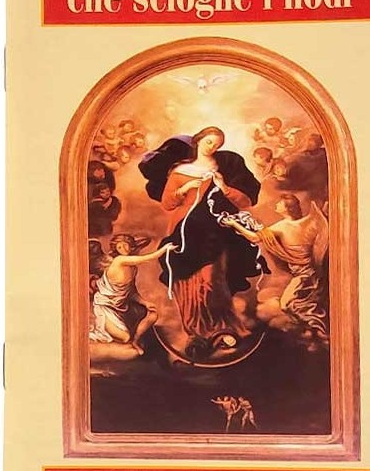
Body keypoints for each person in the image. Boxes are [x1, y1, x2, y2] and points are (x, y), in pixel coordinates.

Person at [139, 126, 265, 357]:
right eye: (209, 142)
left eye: (217, 145)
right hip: (184, 228)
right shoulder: (180, 171)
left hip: (213, 230)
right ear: (198, 141)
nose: (212, 147)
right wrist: (184, 189)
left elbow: (245, 202)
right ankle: (197, 331)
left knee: (212, 278)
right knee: (186, 279)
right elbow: (167, 204)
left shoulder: (224, 169)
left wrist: (224, 187)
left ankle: (222, 327)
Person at [221, 194, 329, 344]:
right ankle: (313, 328)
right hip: (305, 272)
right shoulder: (305, 222)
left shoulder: (283, 227)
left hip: (305, 274)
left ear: (288, 208)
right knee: (293, 304)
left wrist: (234, 224)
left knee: (287, 304)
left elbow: (254, 238)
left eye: (280, 204)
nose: (276, 205)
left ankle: (318, 328)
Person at [88, 234, 175, 352]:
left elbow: (131, 292)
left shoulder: (133, 268)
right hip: (106, 307)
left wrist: (145, 302)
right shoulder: (119, 261)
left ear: (131, 246)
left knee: (153, 315)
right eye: (119, 247)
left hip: (123, 306)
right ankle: (111, 332)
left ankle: (136, 341)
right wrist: (164, 249)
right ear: (116, 249)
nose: (123, 249)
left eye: (126, 245)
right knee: (125, 337)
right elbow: (146, 258)